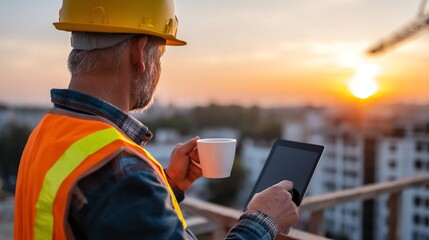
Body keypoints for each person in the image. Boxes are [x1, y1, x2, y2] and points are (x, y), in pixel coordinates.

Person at [14, 0, 299, 239]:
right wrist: (263, 219)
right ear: (140, 54)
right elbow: (117, 195)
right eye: (160, 55)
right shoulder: (120, 171)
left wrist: (168, 185)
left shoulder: (47, 132)